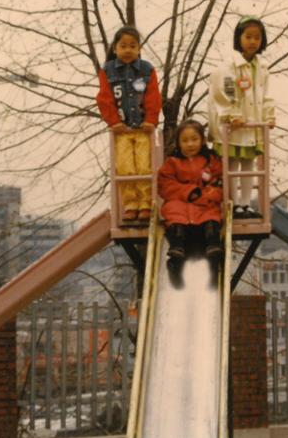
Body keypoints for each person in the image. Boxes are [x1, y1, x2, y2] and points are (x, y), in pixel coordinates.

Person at [208, 16, 275, 219]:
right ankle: (232, 203)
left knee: (249, 165)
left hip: (252, 125)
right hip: (235, 126)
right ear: (239, 38)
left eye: (257, 37)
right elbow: (225, 90)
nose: (253, 41)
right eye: (248, 36)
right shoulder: (230, 66)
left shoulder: (262, 67)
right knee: (232, 164)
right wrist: (232, 115)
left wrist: (269, 116)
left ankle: (245, 204)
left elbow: (265, 95)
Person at [96, 26, 161, 222]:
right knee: (125, 167)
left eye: (133, 46)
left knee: (144, 166)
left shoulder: (146, 70)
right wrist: (113, 122)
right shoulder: (107, 70)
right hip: (122, 130)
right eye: (123, 46)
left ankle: (146, 203)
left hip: (143, 128)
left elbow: (153, 96)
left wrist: (151, 119)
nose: (128, 50)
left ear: (139, 48)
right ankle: (131, 203)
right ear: (115, 48)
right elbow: (104, 98)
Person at [157, 119, 224, 282]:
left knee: (212, 214)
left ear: (202, 140)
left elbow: (220, 182)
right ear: (178, 143)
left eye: (194, 139)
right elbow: (165, 184)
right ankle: (176, 246)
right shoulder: (172, 163)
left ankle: (212, 243)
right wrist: (189, 192)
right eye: (185, 140)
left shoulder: (211, 161)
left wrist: (205, 195)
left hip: (204, 204)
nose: (190, 144)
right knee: (173, 210)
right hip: (182, 202)